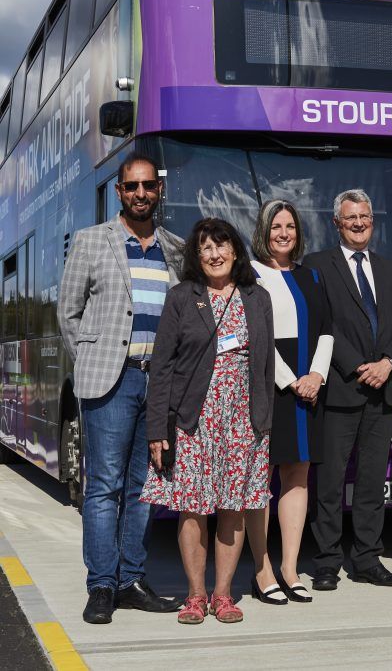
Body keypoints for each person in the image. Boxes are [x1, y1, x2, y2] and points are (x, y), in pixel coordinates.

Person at [57, 153, 184, 624]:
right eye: (132, 186)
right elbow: (67, 312)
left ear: (159, 190)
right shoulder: (92, 242)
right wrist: (91, 357)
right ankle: (102, 585)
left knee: (143, 487)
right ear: (119, 192)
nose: (140, 194)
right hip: (112, 379)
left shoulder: (176, 248)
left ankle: (131, 579)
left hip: (159, 382)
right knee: (103, 487)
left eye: (148, 185)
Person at [142, 218, 276, 624]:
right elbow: (162, 366)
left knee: (233, 508)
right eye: (205, 248)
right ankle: (195, 596)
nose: (215, 254)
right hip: (193, 420)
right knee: (193, 509)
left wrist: (264, 420)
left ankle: (224, 595)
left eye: (221, 246)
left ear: (236, 250)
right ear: (196, 258)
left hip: (242, 421)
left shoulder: (257, 296)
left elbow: (266, 362)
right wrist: (156, 429)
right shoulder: (183, 297)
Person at [305, 189, 392, 589]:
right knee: (329, 483)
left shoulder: (390, 269)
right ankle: (328, 563)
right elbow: (324, 323)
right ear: (337, 223)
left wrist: (387, 363)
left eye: (365, 217)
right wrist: (356, 366)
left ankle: (368, 559)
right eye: (350, 218)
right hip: (340, 389)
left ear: (373, 220)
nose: (358, 223)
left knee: (371, 483)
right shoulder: (317, 266)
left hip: (383, 390)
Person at [245, 200, 334, 605]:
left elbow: (327, 331)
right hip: (270, 386)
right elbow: (255, 335)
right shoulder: (250, 274)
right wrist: (291, 380)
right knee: (260, 482)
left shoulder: (311, 276)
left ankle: (290, 568)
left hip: (309, 387)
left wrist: (316, 375)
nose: (284, 233)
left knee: (297, 476)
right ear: (263, 230)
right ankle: (262, 569)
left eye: (291, 227)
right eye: (276, 226)